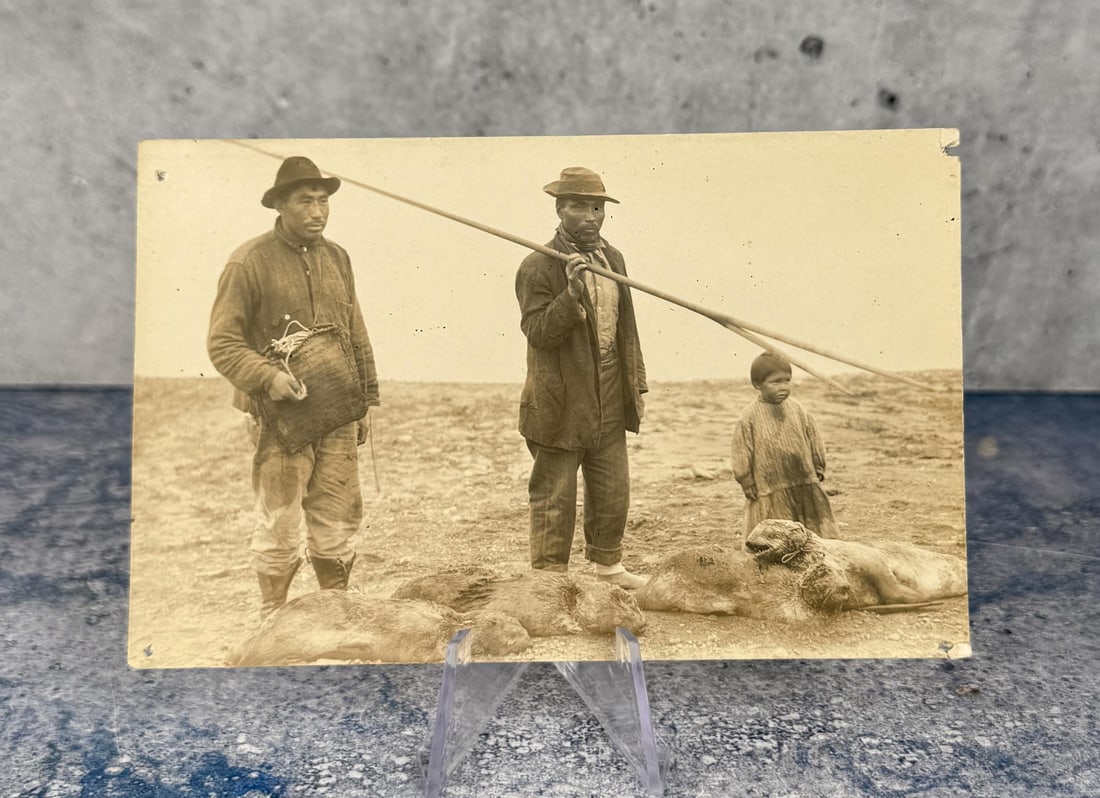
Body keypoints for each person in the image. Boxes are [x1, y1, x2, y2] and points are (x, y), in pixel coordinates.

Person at [208, 156, 380, 618]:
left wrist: (366, 401)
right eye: (305, 201)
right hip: (278, 417)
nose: (317, 211)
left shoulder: (338, 257)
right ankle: (273, 614)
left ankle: (335, 609)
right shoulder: (248, 262)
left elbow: (355, 331)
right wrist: (269, 378)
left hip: (339, 411)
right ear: (280, 205)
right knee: (280, 518)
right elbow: (222, 343)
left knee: (339, 512)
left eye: (323, 201)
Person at [514, 166, 649, 589]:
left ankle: (608, 566)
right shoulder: (539, 264)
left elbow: (626, 328)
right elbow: (537, 333)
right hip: (561, 397)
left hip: (609, 387)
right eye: (578, 207)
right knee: (555, 491)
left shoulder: (614, 259)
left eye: (597, 207)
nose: (590, 216)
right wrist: (570, 295)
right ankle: (551, 579)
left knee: (612, 485)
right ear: (559, 209)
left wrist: (635, 381)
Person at [731, 351, 838, 538]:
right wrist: (746, 482)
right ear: (758, 385)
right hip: (769, 485)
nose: (783, 387)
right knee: (773, 531)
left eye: (787, 381)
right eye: (775, 382)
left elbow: (813, 436)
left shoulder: (797, 409)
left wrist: (818, 465)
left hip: (803, 477)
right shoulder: (749, 417)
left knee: (813, 529)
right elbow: (741, 451)